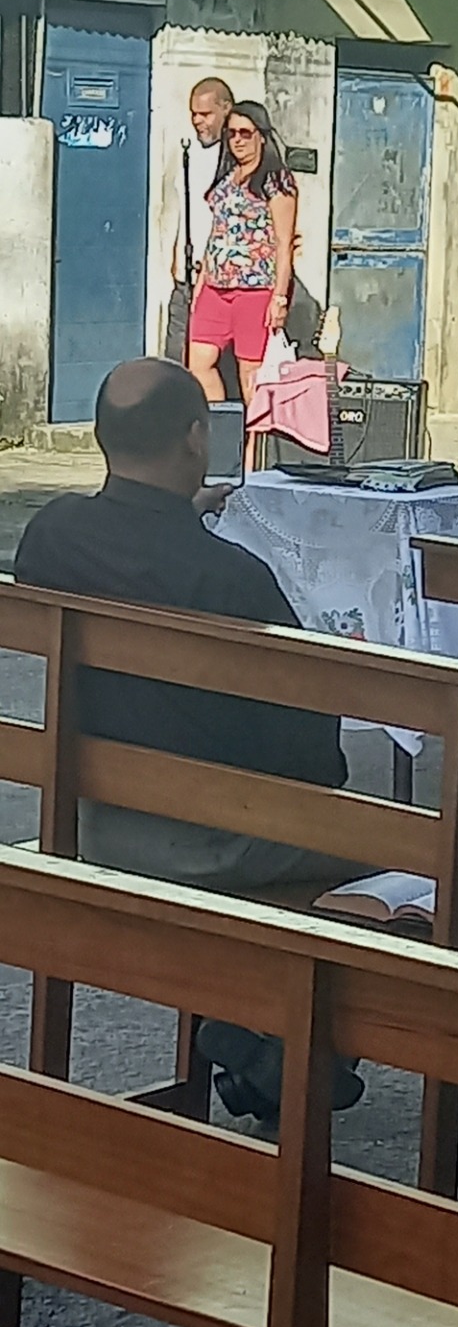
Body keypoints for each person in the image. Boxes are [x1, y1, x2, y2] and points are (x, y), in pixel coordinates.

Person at [15, 357, 363, 1120]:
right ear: (197, 438)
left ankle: (260, 1046)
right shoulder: (233, 578)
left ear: (101, 438)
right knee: (389, 856)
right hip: (214, 844)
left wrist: (179, 516)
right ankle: (279, 1045)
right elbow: (313, 753)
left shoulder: (52, 536)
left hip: (93, 823)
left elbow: (131, 545)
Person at [188, 100, 297, 432]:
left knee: (251, 376)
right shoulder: (227, 177)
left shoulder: (276, 181)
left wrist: (280, 297)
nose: (237, 140)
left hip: (255, 291)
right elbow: (216, 233)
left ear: (261, 135)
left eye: (245, 133)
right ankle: (222, 439)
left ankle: (253, 451)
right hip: (215, 288)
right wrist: (200, 285)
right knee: (198, 364)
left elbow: (284, 243)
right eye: (232, 133)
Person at [164, 76, 236, 378]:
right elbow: (186, 208)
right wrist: (176, 255)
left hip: (221, 281)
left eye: (205, 114)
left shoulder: (237, 157)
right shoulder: (188, 152)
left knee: (214, 365)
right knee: (175, 359)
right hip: (186, 276)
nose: (197, 121)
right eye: (193, 114)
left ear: (226, 109)